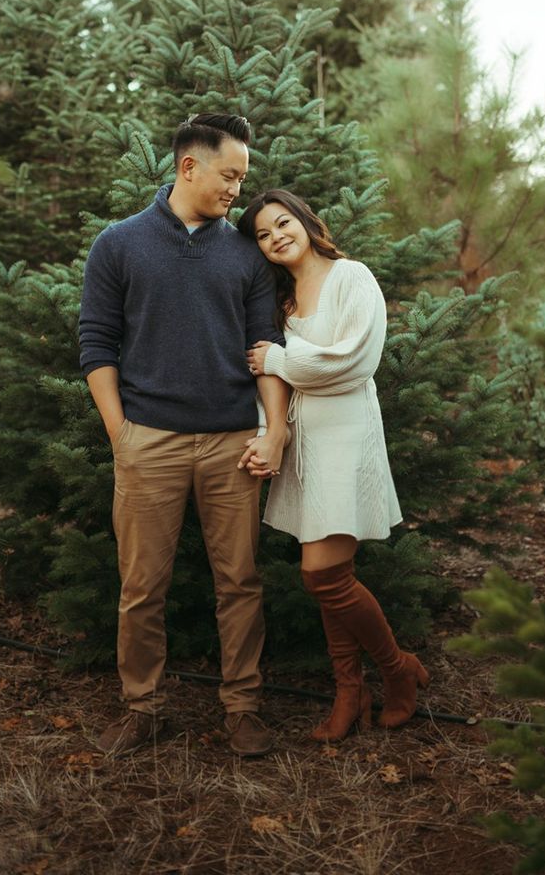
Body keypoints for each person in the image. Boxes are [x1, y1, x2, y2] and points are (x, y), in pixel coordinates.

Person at [79, 114, 289, 758]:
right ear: (188, 167)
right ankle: (142, 708)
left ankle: (243, 710)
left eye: (243, 178)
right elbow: (95, 343)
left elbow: (268, 348)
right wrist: (122, 434)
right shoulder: (118, 245)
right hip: (150, 442)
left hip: (232, 443)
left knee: (241, 583)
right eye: (230, 175)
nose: (237, 189)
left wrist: (274, 431)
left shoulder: (245, 255)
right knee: (141, 586)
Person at [238, 189, 430, 741]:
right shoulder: (282, 300)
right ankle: (350, 692)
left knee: (321, 573)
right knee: (331, 578)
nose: (277, 237)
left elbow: (354, 362)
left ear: (302, 219)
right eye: (264, 235)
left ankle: (398, 671)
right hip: (306, 444)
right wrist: (268, 432)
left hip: (347, 435)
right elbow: (269, 382)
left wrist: (278, 357)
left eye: (282, 223)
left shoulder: (352, 277)